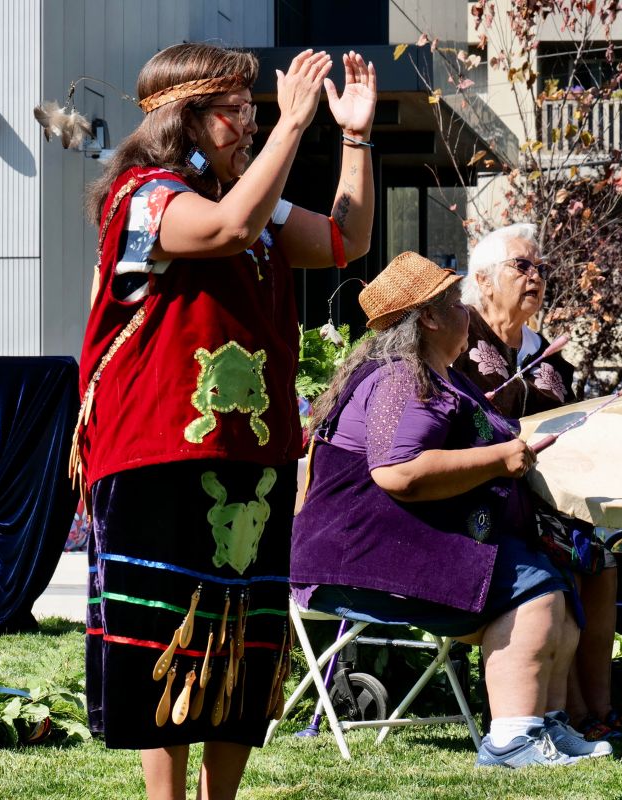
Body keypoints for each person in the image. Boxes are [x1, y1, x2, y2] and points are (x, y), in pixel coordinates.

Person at [72, 43, 377, 800]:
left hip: (254, 452)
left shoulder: (253, 202)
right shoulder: (144, 196)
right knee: (166, 639)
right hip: (159, 453)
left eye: (253, 110)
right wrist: (293, 125)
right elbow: (225, 230)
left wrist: (356, 138)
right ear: (184, 117)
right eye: (232, 111)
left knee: (246, 637)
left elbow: (347, 240)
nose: (248, 123)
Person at [290, 251, 613, 768]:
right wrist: (498, 457)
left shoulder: (435, 377)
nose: (469, 313)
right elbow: (399, 472)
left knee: (549, 585)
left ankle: (546, 725)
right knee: (530, 592)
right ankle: (514, 738)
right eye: (458, 304)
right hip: (360, 551)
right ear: (430, 318)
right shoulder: (402, 380)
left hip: (396, 539)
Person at [452, 223, 622, 742]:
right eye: (522, 266)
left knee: (600, 559)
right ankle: (574, 716)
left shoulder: (549, 351)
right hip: (483, 497)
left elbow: (571, 423)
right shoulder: (457, 333)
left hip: (550, 497)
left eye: (541, 268)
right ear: (484, 279)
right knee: (561, 557)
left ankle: (597, 708)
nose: (535, 276)